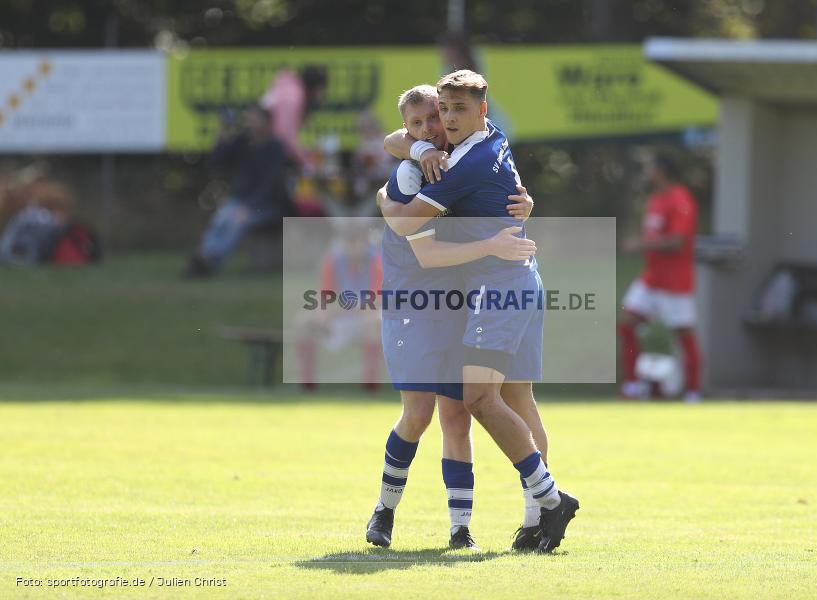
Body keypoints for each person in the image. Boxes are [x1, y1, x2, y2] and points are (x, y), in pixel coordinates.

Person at [376, 71, 578, 554]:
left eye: (454, 111)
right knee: (519, 401)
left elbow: (404, 225)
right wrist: (417, 148)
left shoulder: (462, 164)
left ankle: (551, 501)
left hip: (497, 289)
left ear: (481, 110)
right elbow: (395, 139)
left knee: (478, 400)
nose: (444, 121)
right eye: (441, 111)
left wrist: (383, 197)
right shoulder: (490, 137)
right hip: (522, 281)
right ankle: (536, 521)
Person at [619, 153, 702, 402]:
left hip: (675, 282)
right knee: (626, 325)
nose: (647, 173)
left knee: (684, 334)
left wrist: (641, 244)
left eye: (650, 168)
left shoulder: (680, 199)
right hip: (651, 278)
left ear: (662, 171)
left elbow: (677, 242)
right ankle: (633, 386)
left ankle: (693, 392)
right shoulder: (655, 199)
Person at [185, 104, 291, 277]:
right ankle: (203, 255)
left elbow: (270, 184)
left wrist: (249, 206)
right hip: (242, 202)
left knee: (237, 221)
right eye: (249, 118)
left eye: (254, 118)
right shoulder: (243, 141)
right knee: (221, 218)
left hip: (268, 205)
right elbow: (216, 161)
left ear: (266, 122)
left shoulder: (275, 148)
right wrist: (223, 133)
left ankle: (211, 261)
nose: (250, 122)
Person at [293, 223, 382, 391]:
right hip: (341, 317)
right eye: (348, 242)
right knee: (303, 321)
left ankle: (370, 387)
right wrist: (324, 313)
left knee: (372, 323)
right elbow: (325, 297)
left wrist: (341, 307)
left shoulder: (376, 260)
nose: (352, 247)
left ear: (365, 243)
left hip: (368, 318)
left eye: (356, 242)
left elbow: (377, 300)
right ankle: (307, 385)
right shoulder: (333, 260)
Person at [262, 66, 329, 171]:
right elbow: (283, 136)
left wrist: (303, 153)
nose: (319, 96)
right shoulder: (292, 96)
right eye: (320, 91)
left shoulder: (290, 89)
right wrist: (305, 161)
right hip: (262, 149)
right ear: (316, 87)